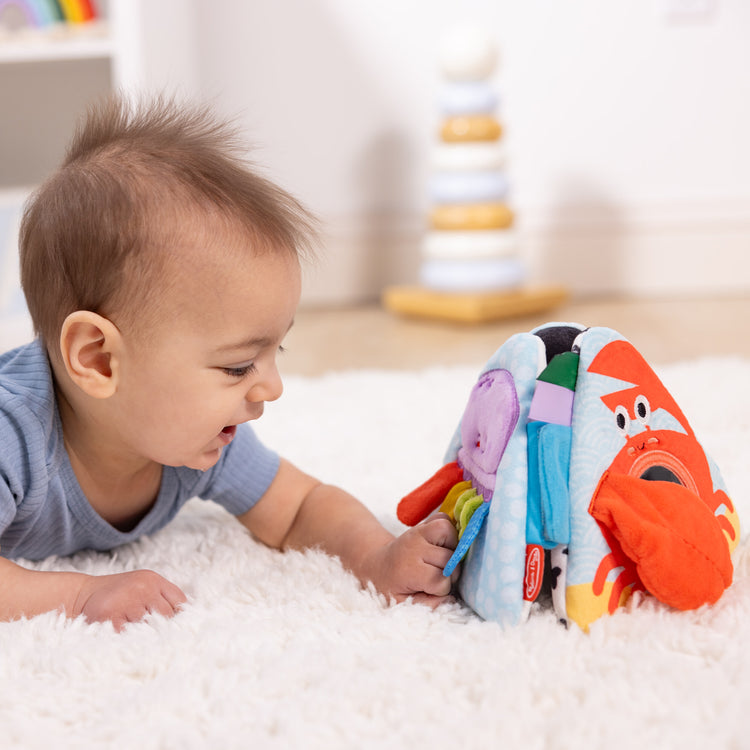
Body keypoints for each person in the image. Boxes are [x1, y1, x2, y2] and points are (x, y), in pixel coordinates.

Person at [0, 95, 458, 631]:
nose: (271, 388)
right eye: (239, 366)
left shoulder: (194, 439)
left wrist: (379, 558)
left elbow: (300, 506)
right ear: (99, 360)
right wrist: (80, 598)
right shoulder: (14, 436)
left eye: (275, 351)